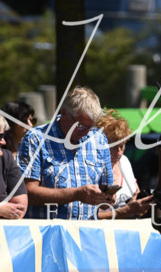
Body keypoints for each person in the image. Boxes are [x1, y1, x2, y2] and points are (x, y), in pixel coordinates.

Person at [17, 86, 115, 220]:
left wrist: (107, 197)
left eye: (90, 126)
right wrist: (76, 194)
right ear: (63, 112)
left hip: (87, 234)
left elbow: (106, 191)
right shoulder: (36, 138)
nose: (85, 132)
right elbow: (26, 193)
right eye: (80, 125)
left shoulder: (98, 138)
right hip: (48, 234)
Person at [95, 111, 153, 219]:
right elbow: (86, 218)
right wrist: (126, 211)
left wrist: (140, 206)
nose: (119, 152)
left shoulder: (124, 162)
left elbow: (136, 194)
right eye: (113, 146)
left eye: (122, 146)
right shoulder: (89, 168)